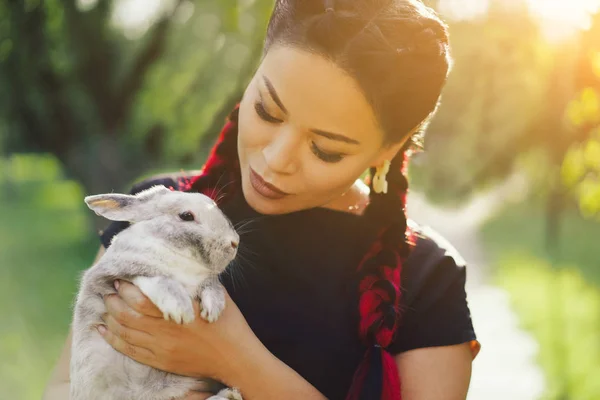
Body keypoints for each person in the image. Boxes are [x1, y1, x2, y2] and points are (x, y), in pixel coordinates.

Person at [43, 0, 481, 399]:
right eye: (267, 111)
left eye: (325, 149)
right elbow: (66, 385)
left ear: (391, 147)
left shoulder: (428, 277)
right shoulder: (163, 212)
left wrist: (233, 358)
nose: (275, 160)